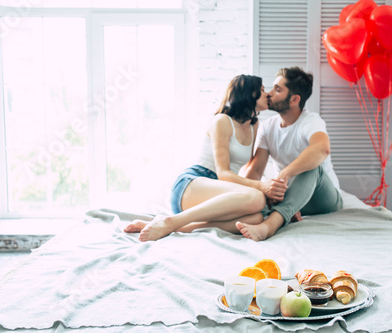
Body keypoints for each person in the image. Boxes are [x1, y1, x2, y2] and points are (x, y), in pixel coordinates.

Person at [124, 75, 286, 241]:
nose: (267, 94)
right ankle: (171, 221)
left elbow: (245, 172)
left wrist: (271, 198)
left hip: (220, 192)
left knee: (256, 218)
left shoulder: (253, 126)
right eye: (261, 90)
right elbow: (223, 174)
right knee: (257, 197)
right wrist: (261, 188)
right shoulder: (222, 121)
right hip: (194, 182)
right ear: (248, 94)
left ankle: (172, 225)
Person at [236, 67, 343, 241]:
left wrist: (284, 174)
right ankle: (289, 208)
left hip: (323, 198)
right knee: (258, 196)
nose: (269, 94)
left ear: (294, 99)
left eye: (277, 90)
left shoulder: (311, 121)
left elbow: (322, 149)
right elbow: (255, 172)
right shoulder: (267, 126)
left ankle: (269, 226)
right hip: (291, 195)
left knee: (311, 168)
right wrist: (253, 194)